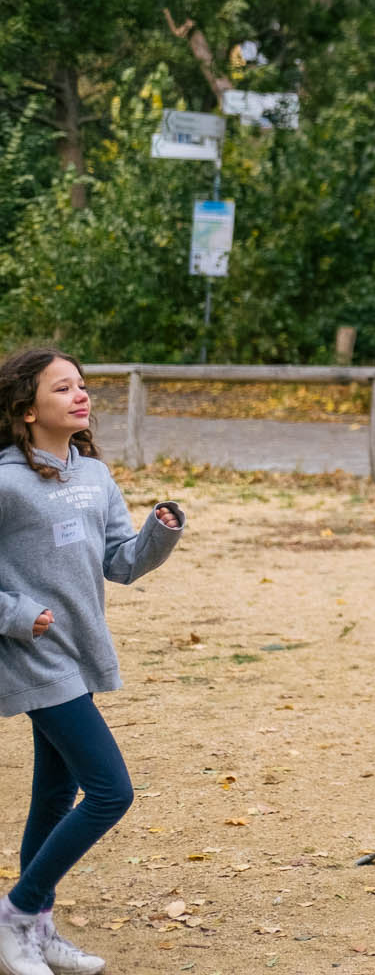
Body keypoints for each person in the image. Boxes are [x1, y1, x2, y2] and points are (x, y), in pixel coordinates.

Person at [0, 348, 185, 975]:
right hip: (33, 655)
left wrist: (159, 533)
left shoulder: (95, 477)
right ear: (27, 410)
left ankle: (36, 928)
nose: (81, 396)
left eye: (82, 385)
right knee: (110, 790)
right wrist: (18, 616)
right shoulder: (4, 482)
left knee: (56, 793)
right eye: (63, 388)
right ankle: (19, 912)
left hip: (79, 651)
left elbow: (121, 562)